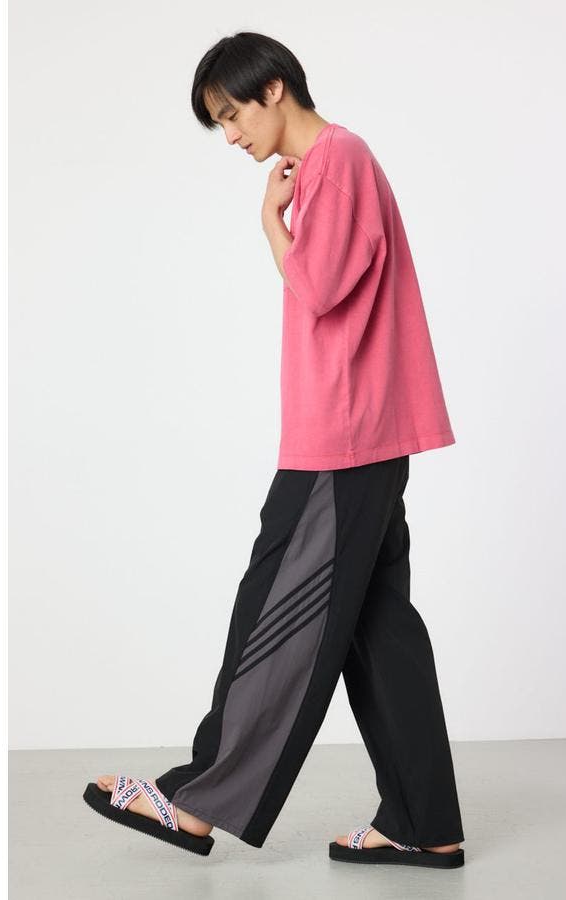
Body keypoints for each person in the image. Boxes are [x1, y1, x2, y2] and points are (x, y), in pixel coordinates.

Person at [83, 31, 466, 869]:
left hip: (341, 439)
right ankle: (424, 821)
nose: (230, 136)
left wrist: (270, 221)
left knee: (274, 610)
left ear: (275, 89)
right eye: (218, 123)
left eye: (232, 114)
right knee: (378, 629)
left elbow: (319, 289)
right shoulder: (335, 164)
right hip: (360, 434)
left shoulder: (337, 160)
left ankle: (195, 802)